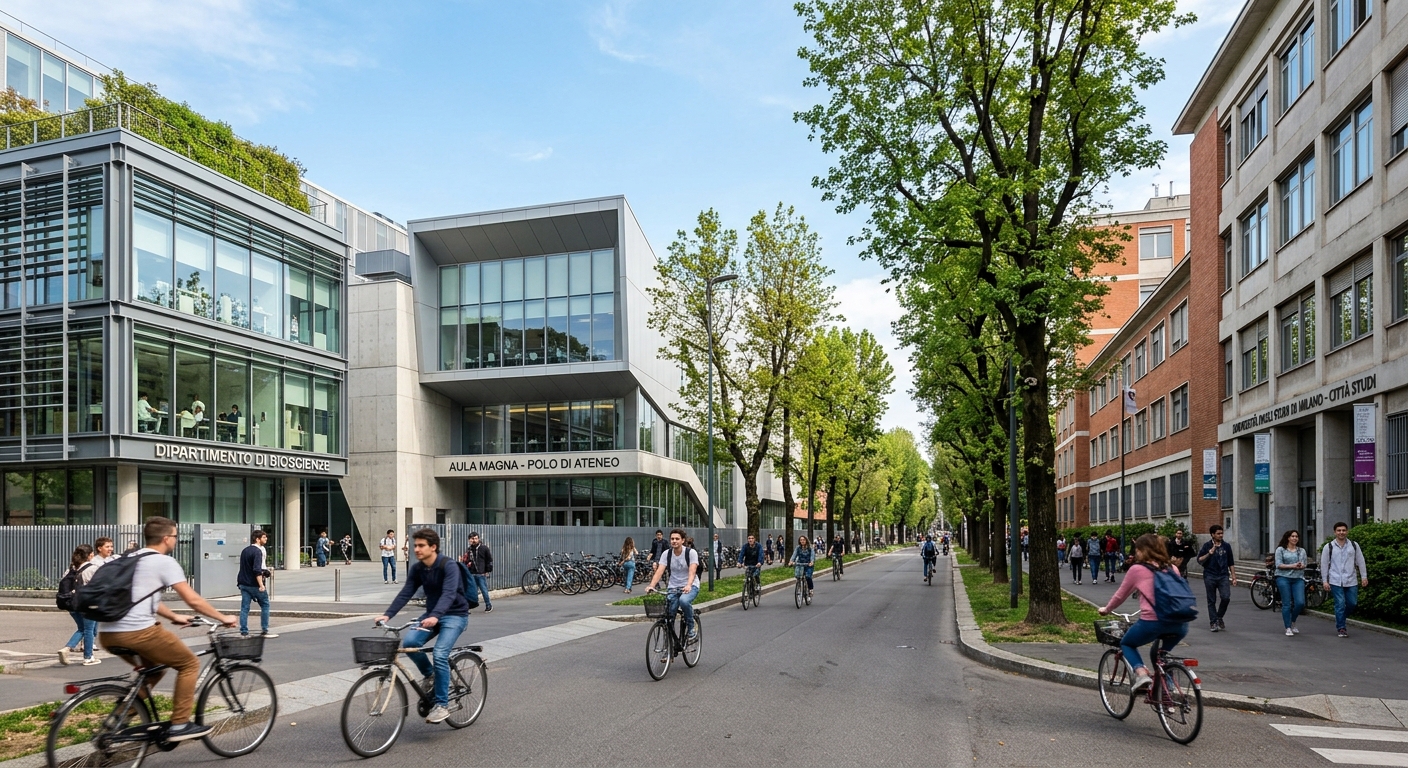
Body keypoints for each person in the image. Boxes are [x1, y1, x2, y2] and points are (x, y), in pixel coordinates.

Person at [98, 517, 238, 741]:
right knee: (189, 664)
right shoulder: (164, 562)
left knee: (155, 670)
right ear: (166, 538)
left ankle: (119, 717)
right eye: (175, 536)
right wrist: (223, 617)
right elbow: (193, 600)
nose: (176, 540)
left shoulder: (130, 558)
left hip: (107, 633)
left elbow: (143, 596)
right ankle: (180, 725)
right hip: (138, 633)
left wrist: (173, 616)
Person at [377, 529, 470, 724]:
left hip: (455, 615)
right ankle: (430, 675)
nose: (416, 549)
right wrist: (387, 614)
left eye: (421, 546)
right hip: (431, 615)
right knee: (410, 642)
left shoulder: (448, 566)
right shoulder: (418, 569)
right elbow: (406, 592)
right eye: (415, 545)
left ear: (433, 547)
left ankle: (442, 705)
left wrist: (436, 615)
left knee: (440, 654)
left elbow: (449, 594)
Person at [1098, 533, 1190, 694]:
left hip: (1153, 622)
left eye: (1138, 549)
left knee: (1127, 643)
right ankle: (1168, 689)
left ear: (1144, 550)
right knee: (1160, 655)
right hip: (1180, 623)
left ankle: (1141, 675)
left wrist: (1106, 610)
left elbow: (1121, 595)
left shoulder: (1137, 569)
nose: (1136, 552)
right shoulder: (1172, 568)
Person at [645, 529, 701, 639]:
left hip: (690, 586)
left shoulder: (690, 553)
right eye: (672, 539)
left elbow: (692, 570)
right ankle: (669, 648)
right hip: (673, 587)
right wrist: (651, 585)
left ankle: (691, 627)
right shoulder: (666, 554)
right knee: (669, 616)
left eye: (677, 539)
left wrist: (689, 585)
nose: (674, 541)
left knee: (684, 601)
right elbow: (660, 571)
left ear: (683, 540)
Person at [1320, 522, 1369, 638]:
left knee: (1352, 603)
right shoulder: (1329, 547)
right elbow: (1324, 564)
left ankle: (1340, 617)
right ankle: (1341, 627)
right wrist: (1324, 581)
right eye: (1339, 530)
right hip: (1335, 580)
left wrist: (1364, 577)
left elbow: (1360, 561)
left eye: (1343, 530)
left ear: (1347, 531)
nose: (1341, 532)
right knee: (1340, 604)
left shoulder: (1354, 545)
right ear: (1335, 532)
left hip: (1351, 579)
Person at [58, 545, 100, 666]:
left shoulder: (71, 568)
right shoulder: (92, 568)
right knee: (89, 630)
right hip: (87, 603)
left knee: (82, 628)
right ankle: (88, 657)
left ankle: (67, 648)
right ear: (90, 555)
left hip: (71, 603)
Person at [1196, 524, 1237, 632]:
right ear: (1212, 534)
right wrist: (1209, 553)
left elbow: (1231, 562)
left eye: (1222, 533)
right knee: (1211, 600)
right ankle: (1213, 622)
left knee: (1226, 597)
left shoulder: (1226, 546)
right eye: (1218, 533)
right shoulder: (1207, 546)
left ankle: (1219, 617)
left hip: (1223, 575)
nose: (1220, 535)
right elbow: (1199, 560)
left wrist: (1233, 576)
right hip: (1210, 575)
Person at [237, 530, 277, 638]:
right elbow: (256, 570)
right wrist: (261, 584)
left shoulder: (245, 550)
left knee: (245, 608)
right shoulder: (258, 552)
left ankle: (244, 631)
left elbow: (248, 567)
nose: (266, 539)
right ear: (257, 539)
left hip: (243, 582)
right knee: (265, 604)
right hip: (254, 584)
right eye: (264, 537)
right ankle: (264, 630)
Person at [1273, 529, 1307, 637]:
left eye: (1296, 536)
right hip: (1283, 577)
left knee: (1300, 602)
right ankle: (1288, 627)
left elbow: (1305, 563)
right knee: (1286, 603)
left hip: (1298, 578)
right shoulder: (1281, 550)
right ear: (1288, 538)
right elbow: (1278, 564)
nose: (1295, 538)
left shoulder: (1301, 551)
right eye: (1292, 536)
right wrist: (1292, 566)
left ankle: (1293, 620)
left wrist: (1301, 566)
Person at [460, 532, 494, 613]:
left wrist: (487, 570)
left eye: (475, 538)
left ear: (478, 539)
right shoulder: (469, 550)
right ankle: (467, 607)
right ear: (469, 540)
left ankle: (488, 605)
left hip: (481, 573)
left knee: (484, 590)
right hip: (471, 573)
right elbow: (466, 561)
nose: (474, 540)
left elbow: (489, 560)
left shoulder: (484, 548)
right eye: (472, 539)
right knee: (470, 591)